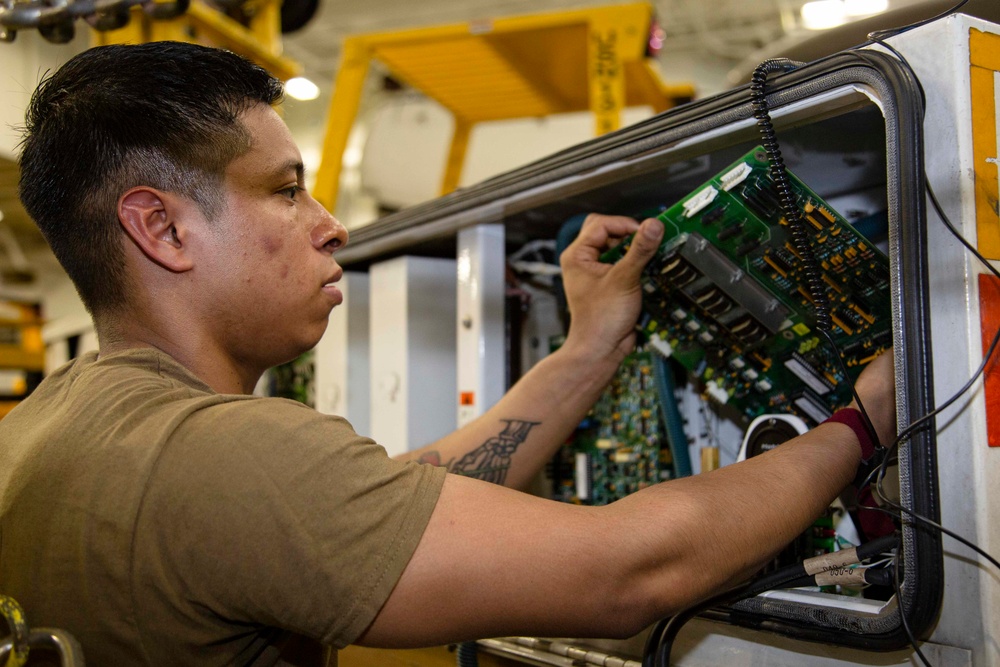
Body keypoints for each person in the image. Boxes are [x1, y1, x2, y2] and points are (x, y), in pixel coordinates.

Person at [0, 41, 896, 666]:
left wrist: (588, 348)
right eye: (284, 190)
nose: (332, 224)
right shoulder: (217, 456)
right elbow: (634, 568)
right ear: (161, 227)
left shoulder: (47, 426)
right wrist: (859, 423)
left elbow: (398, 498)